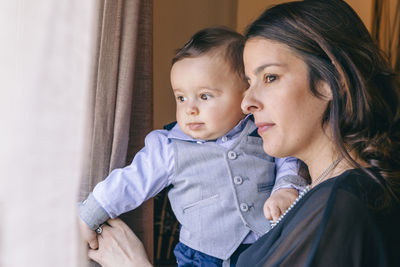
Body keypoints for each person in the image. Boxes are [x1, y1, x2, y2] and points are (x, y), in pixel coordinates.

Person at [86, 0, 400, 266]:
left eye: (271, 77)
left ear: (333, 82)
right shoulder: (323, 195)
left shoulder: (342, 206)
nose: (247, 102)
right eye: (249, 81)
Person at [79, 27, 306, 266]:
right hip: (202, 257)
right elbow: (129, 182)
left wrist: (286, 188)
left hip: (267, 249)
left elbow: (289, 159)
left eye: (205, 96)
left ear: (245, 95)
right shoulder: (169, 147)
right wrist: (89, 215)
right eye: (181, 98)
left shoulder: (262, 131)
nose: (190, 109)